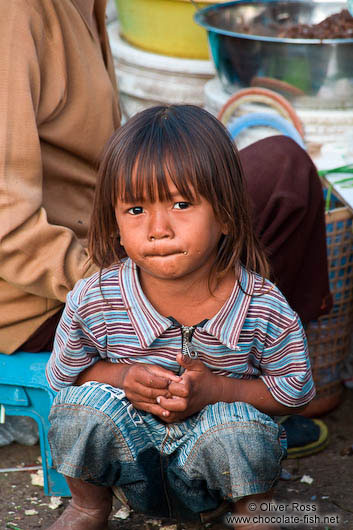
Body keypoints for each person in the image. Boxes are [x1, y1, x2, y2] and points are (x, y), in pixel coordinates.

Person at [46, 105, 316, 530]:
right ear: (114, 224)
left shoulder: (261, 306)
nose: (158, 229)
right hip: (129, 466)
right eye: (135, 210)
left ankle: (253, 515)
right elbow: (64, 377)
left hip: (220, 479)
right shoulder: (95, 299)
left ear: (225, 213)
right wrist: (121, 377)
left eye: (181, 203)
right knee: (77, 409)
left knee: (240, 427)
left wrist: (216, 390)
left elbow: (294, 393)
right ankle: (87, 507)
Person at [0, 0, 120, 444]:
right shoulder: (15, 14)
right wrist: (117, 292)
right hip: (36, 298)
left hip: (96, 254)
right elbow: (5, 224)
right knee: (280, 175)